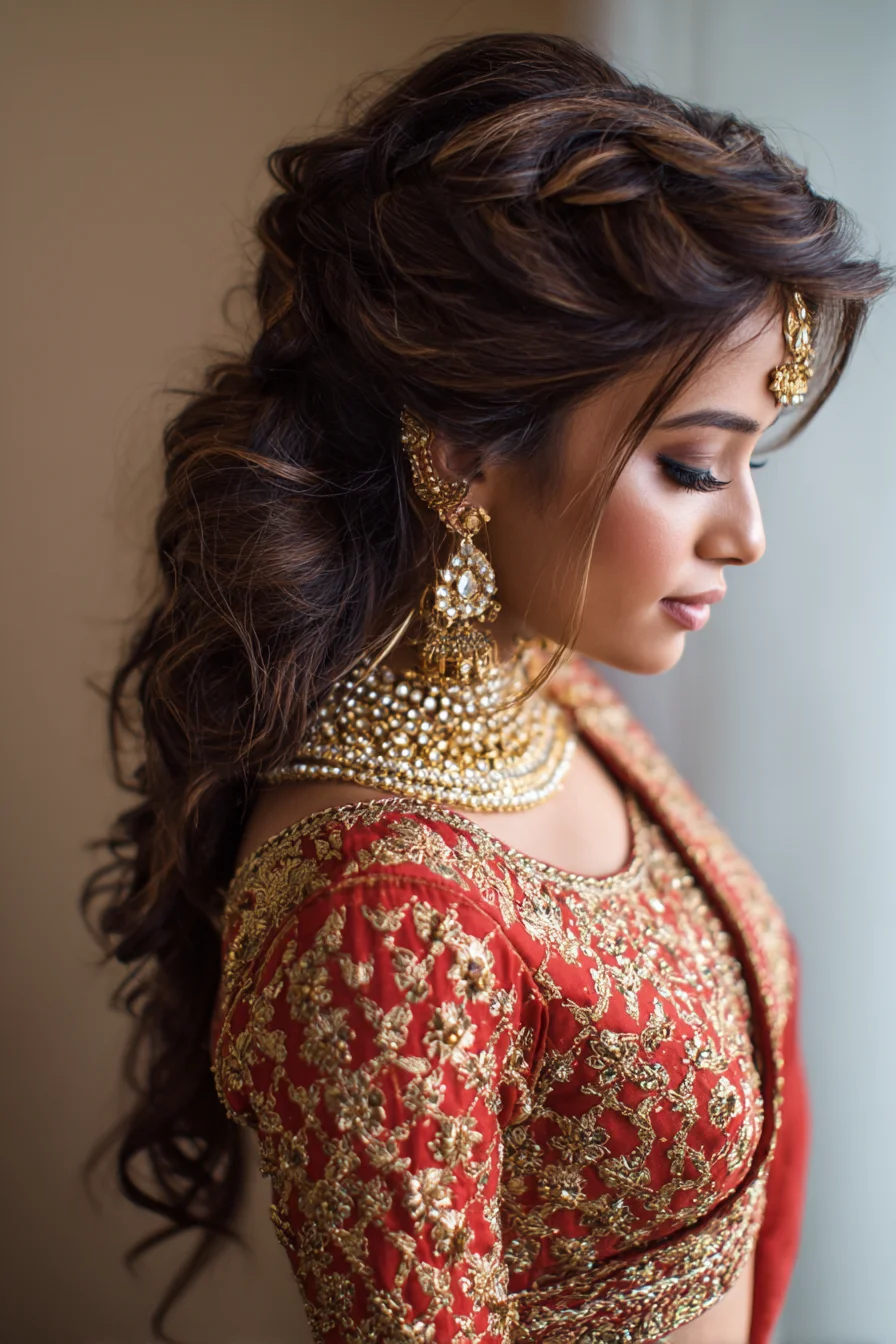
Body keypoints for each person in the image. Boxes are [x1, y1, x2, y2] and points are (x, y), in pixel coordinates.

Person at [82, 30, 889, 1344]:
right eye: (692, 467)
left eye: (752, 467)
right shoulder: (381, 921)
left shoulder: (533, 682)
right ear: (462, 454)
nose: (746, 533)